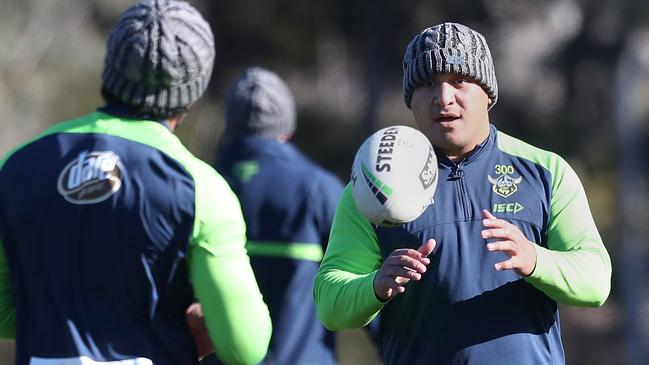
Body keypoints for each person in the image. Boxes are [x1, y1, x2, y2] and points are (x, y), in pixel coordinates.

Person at [314, 22, 612, 365]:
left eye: (459, 81)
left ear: (487, 92)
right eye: (427, 84)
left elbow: (595, 281)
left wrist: (534, 259)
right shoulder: (373, 184)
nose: (444, 98)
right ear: (410, 100)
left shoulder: (545, 171)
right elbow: (330, 303)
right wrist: (375, 286)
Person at [0, 1, 271, 364]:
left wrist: (63, 317)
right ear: (192, 90)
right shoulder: (203, 190)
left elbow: (5, 311)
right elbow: (245, 347)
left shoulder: (16, 167)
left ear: (111, 67)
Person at [213, 67, 344, 365]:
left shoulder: (201, 184)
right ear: (287, 127)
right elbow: (365, 283)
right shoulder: (319, 188)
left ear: (230, 125)